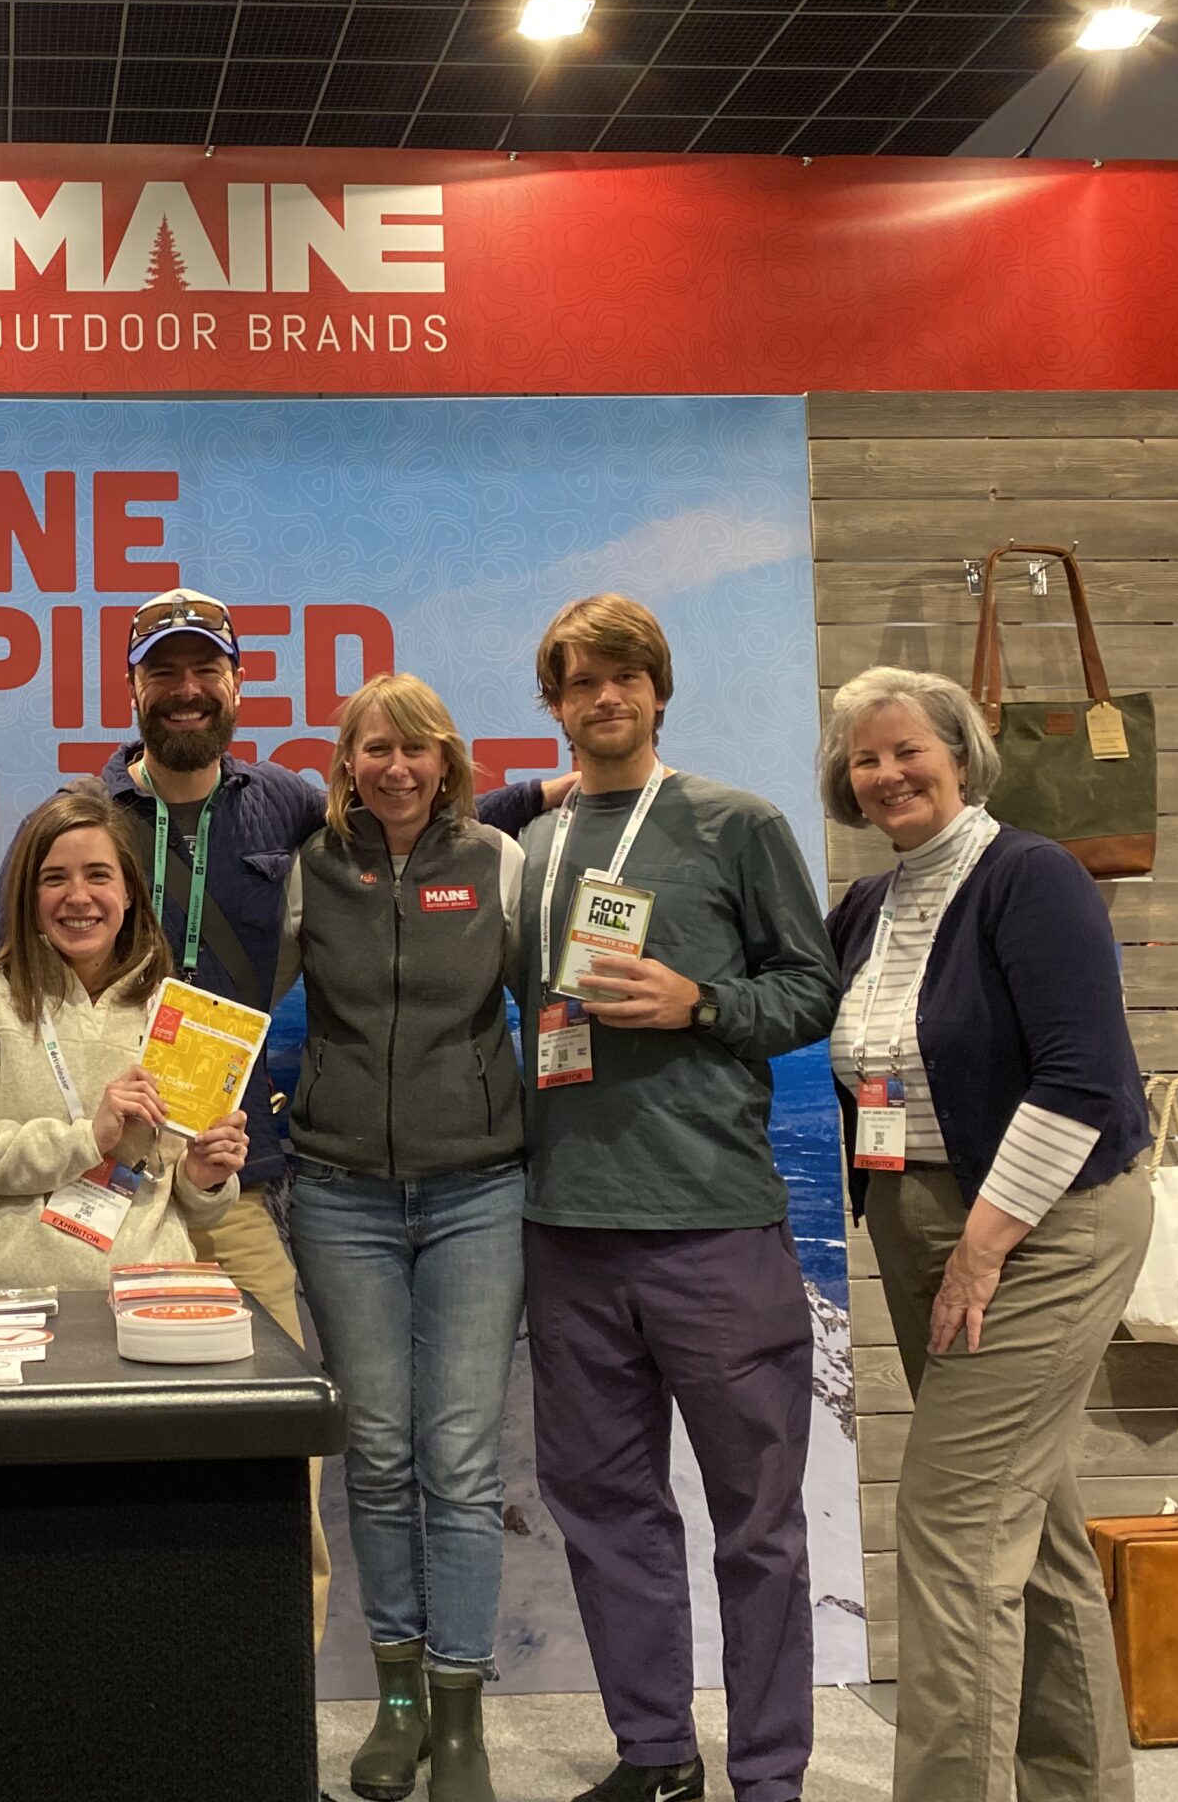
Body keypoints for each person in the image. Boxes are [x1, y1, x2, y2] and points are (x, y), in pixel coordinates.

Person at [0, 588, 568, 1641]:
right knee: (82, 1445)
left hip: (224, 1181)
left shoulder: (285, 805)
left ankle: (275, 1691)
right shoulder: (76, 822)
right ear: (133, 688)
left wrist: (560, 787)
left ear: (237, 685)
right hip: (94, 1184)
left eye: (205, 670)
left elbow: (414, 819)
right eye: (164, 671)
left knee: (282, 1434)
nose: (186, 690)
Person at [515, 593, 839, 1802]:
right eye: (579, 682)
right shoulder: (529, 848)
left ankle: (770, 1778)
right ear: (553, 705)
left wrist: (699, 1002)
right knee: (606, 1512)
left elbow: (809, 990)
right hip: (567, 1229)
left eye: (624, 677)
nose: (603, 698)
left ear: (658, 690)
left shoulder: (736, 824)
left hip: (713, 1225)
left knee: (758, 1525)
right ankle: (655, 1757)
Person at [820, 666, 1152, 1802]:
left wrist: (982, 1246)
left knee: (954, 1522)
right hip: (919, 1218)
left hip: (1044, 1225)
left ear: (960, 756)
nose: (886, 773)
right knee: (1031, 1519)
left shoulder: (1031, 876)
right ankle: (1076, 1785)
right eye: (866, 758)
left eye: (908, 749)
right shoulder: (868, 906)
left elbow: (1082, 1082)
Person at [277, 674, 526, 1802]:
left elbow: (557, 1003)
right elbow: (238, 1003)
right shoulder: (312, 868)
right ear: (347, 764)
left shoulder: (497, 863)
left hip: (478, 1191)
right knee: (376, 1454)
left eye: (415, 748)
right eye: (374, 748)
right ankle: (398, 1706)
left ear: (446, 762)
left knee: (460, 1462)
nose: (395, 767)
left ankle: (461, 1719)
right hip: (341, 1196)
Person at [0, 782, 247, 1287]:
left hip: (149, 1294)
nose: (79, 896)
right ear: (30, 897)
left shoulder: (171, 1011)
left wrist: (203, 1177)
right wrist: (86, 1139)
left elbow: (186, 1200)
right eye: (54, 879)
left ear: (128, 891)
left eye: (98, 875)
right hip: (8, 1298)